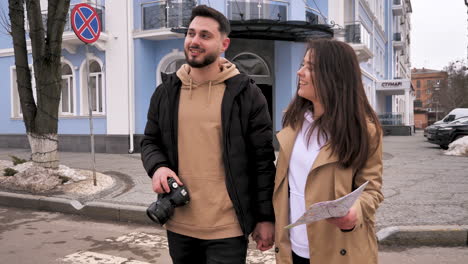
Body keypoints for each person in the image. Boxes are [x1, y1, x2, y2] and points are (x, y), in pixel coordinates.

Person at [140, 5, 276, 264]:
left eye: (205, 35)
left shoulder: (247, 95)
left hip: (227, 228)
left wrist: (265, 217)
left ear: (224, 43)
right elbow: (150, 141)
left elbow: (262, 162)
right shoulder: (166, 92)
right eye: (191, 33)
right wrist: (157, 167)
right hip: (179, 225)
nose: (194, 41)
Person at [273, 38, 384, 264]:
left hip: (340, 252)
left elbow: (372, 190)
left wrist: (355, 212)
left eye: (309, 68)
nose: (299, 72)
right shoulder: (293, 122)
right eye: (302, 65)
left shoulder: (365, 130)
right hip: (291, 249)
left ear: (333, 76)